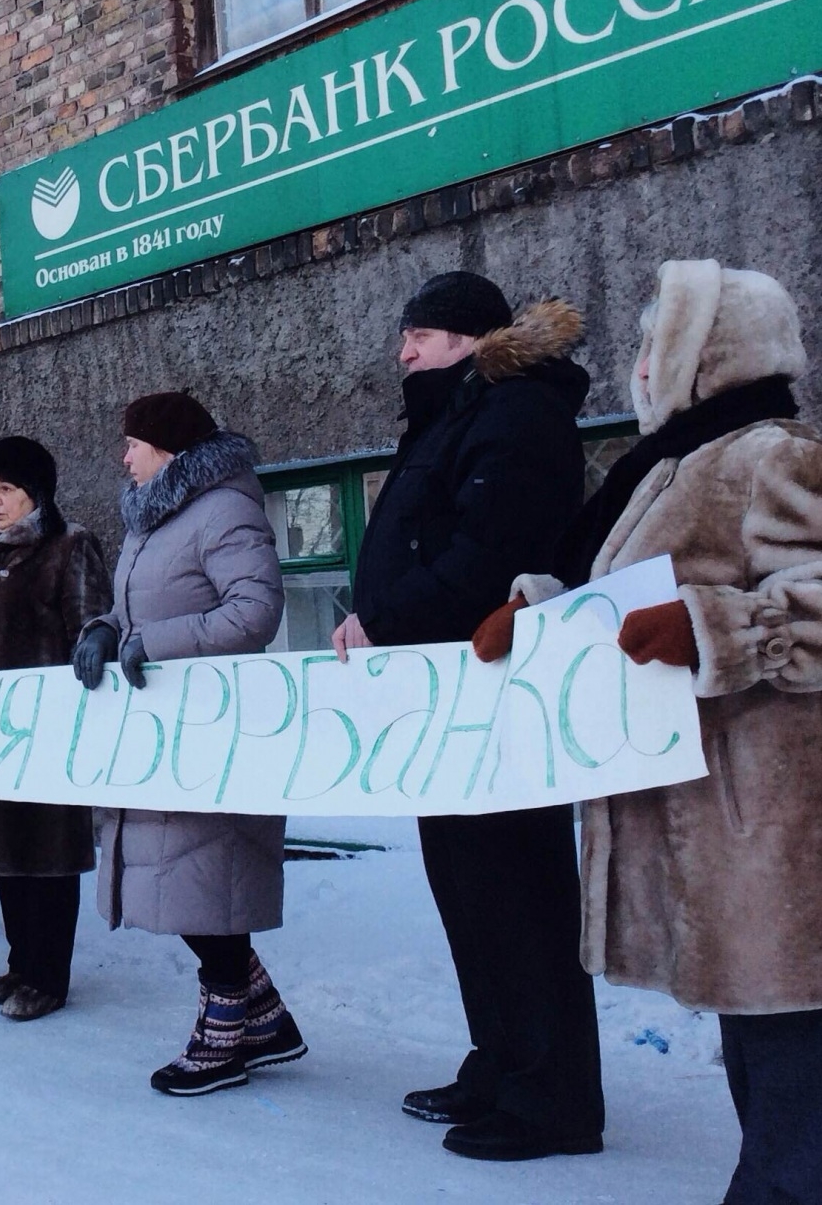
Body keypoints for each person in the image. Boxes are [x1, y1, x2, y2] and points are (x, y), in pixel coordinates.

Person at [477, 260, 822, 1202]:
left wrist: (716, 630)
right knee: (761, 1060)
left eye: (657, 345)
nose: (641, 367)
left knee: (791, 1067)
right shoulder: (674, 466)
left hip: (783, 832)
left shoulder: (776, 452)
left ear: (708, 352)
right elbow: (629, 603)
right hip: (717, 826)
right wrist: (541, 610)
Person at [339, 270, 603, 1161]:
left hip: (497, 699)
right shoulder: (452, 417)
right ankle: (501, 1060)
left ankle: (553, 1096)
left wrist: (386, 618)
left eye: (417, 335)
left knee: (517, 894)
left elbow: (490, 551)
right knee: (470, 894)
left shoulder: (514, 413)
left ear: (465, 339)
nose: (402, 351)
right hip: (445, 701)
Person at [71, 392, 300, 1096]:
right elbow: (139, 606)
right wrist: (106, 629)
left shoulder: (224, 509)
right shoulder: (151, 519)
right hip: (159, 738)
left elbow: (255, 611)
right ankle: (267, 1021)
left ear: (167, 448)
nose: (124, 456)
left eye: (133, 443)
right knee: (183, 882)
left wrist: (152, 644)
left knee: (206, 883)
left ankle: (224, 1032)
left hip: (211, 734)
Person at [0, 436, 109, 1021]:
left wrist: (73, 712)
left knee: (48, 854)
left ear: (36, 493)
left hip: (50, 729)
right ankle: (20, 961)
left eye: (7, 489)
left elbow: (91, 630)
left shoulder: (69, 546)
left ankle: (49, 976)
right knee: (6, 850)